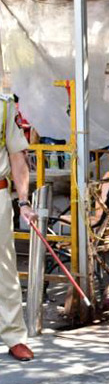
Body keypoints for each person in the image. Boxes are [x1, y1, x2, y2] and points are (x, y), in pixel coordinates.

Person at [0, 94, 37, 361]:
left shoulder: (3, 106)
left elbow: (16, 155)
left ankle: (14, 336)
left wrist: (23, 201)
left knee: (4, 268)